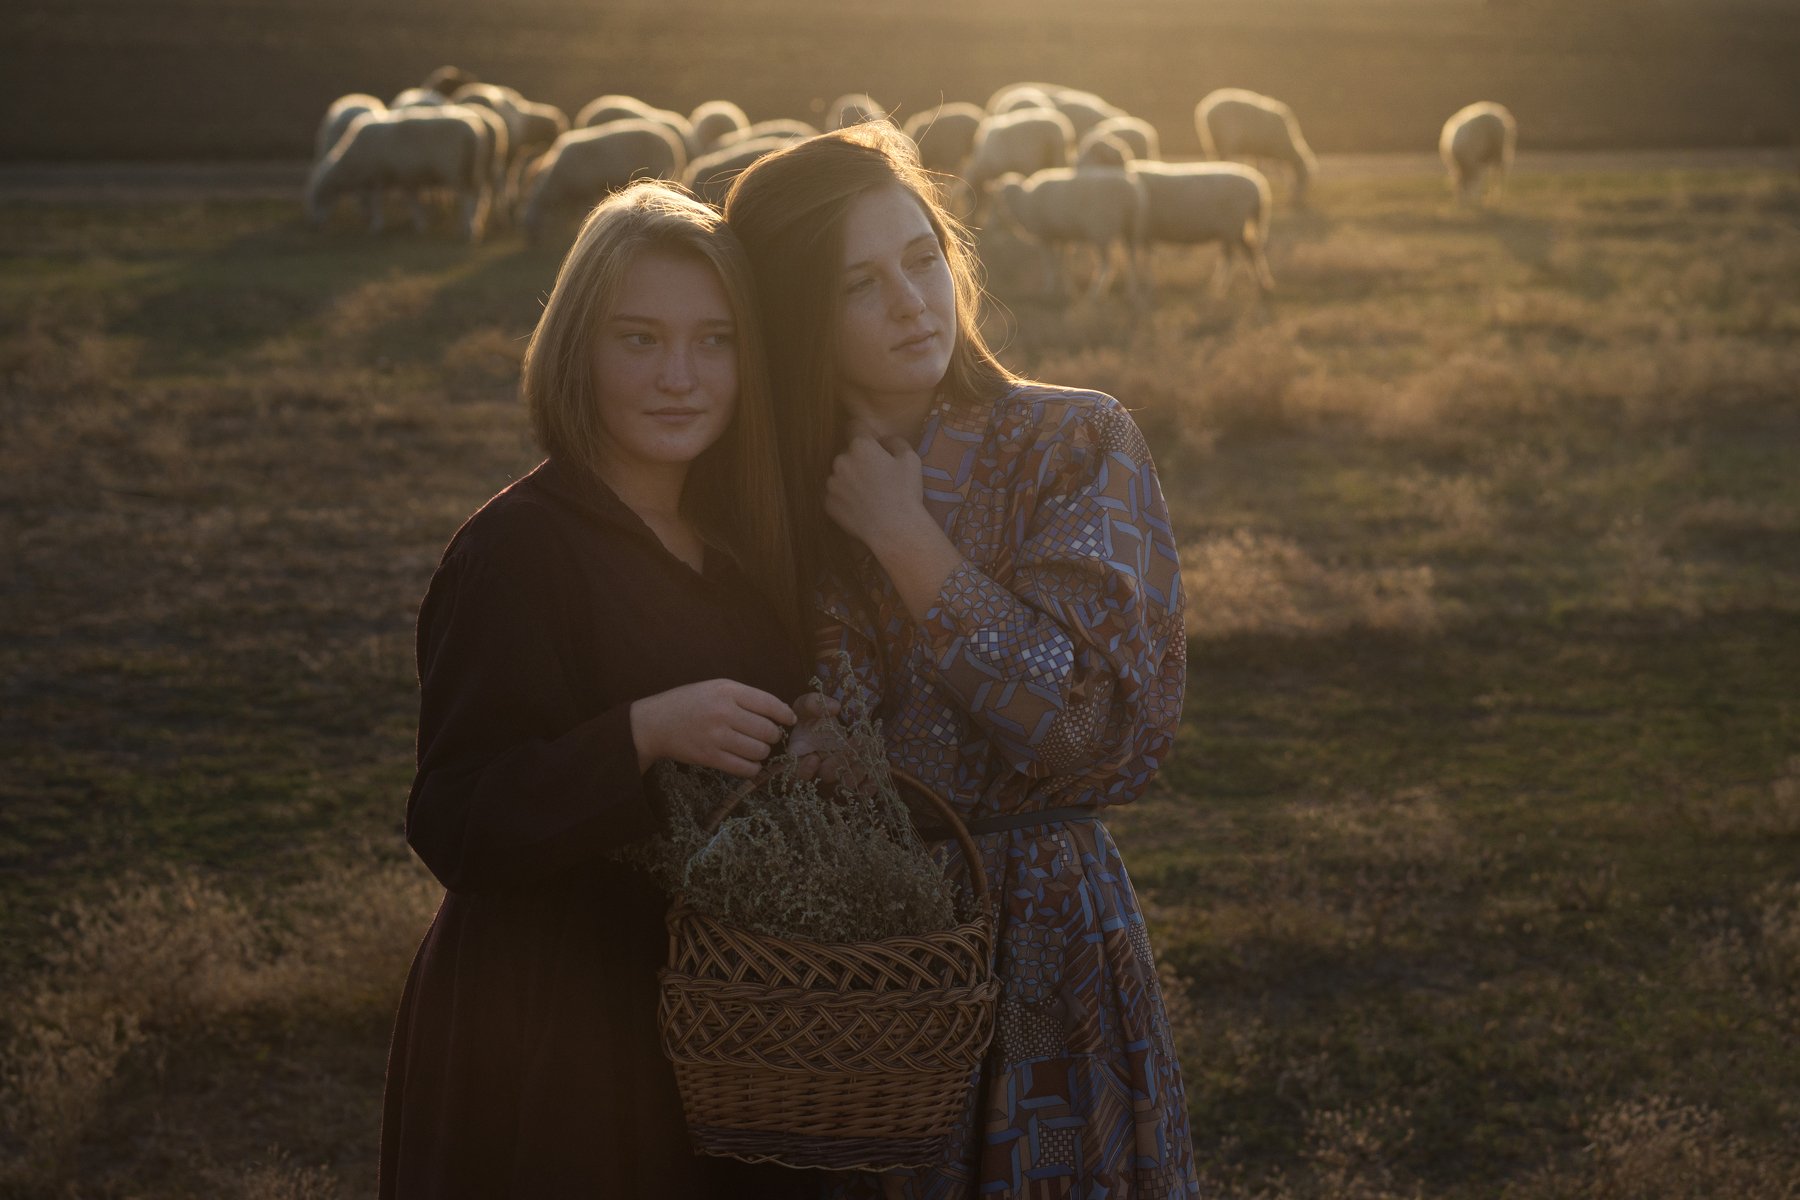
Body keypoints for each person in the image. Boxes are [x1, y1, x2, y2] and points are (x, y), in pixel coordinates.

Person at [724, 123, 1201, 1199]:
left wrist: (909, 542)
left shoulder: (1075, 442)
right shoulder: (764, 496)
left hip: (1047, 941)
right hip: (855, 959)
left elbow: (1088, 731)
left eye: (922, 257)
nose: (912, 302)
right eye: (859, 283)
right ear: (795, 315)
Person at [378, 181, 815, 1197]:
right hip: (553, 1037)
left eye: (715, 341)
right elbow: (455, 820)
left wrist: (810, 744)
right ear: (578, 347)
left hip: (722, 1018)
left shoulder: (738, 544)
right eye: (639, 339)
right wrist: (641, 733)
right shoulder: (517, 551)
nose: (680, 377)